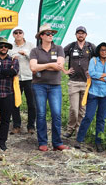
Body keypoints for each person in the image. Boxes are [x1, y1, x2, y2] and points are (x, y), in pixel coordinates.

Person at [29, 24, 68, 152]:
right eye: (48, 34)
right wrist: (51, 64)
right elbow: (33, 68)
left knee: (56, 114)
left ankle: (57, 142)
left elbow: (60, 66)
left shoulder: (59, 49)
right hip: (39, 85)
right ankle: (43, 142)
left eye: (52, 34)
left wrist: (43, 65)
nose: (51, 35)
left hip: (55, 86)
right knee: (41, 114)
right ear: (41, 36)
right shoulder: (35, 51)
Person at [75, 42, 106, 152]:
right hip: (94, 93)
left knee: (101, 119)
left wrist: (99, 77)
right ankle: (79, 140)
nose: (104, 52)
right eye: (102, 50)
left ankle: (98, 142)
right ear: (99, 51)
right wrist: (105, 76)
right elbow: (91, 74)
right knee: (88, 116)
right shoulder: (93, 61)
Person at [63, 26, 95, 138]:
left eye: (82, 33)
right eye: (78, 33)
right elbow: (60, 56)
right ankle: (70, 129)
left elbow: (98, 60)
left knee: (82, 110)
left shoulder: (90, 47)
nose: (80, 35)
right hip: (74, 82)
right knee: (73, 109)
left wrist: (93, 72)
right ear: (76, 35)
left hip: (86, 83)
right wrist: (65, 70)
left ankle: (79, 131)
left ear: (86, 35)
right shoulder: (71, 46)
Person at [10, 28, 35, 134]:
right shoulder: (10, 47)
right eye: (16, 33)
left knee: (32, 104)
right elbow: (7, 60)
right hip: (17, 78)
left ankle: (31, 126)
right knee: (15, 103)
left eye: (20, 32)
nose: (18, 34)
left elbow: (35, 59)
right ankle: (16, 125)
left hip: (30, 77)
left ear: (23, 34)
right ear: (13, 35)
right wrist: (13, 58)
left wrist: (26, 54)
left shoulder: (30, 45)